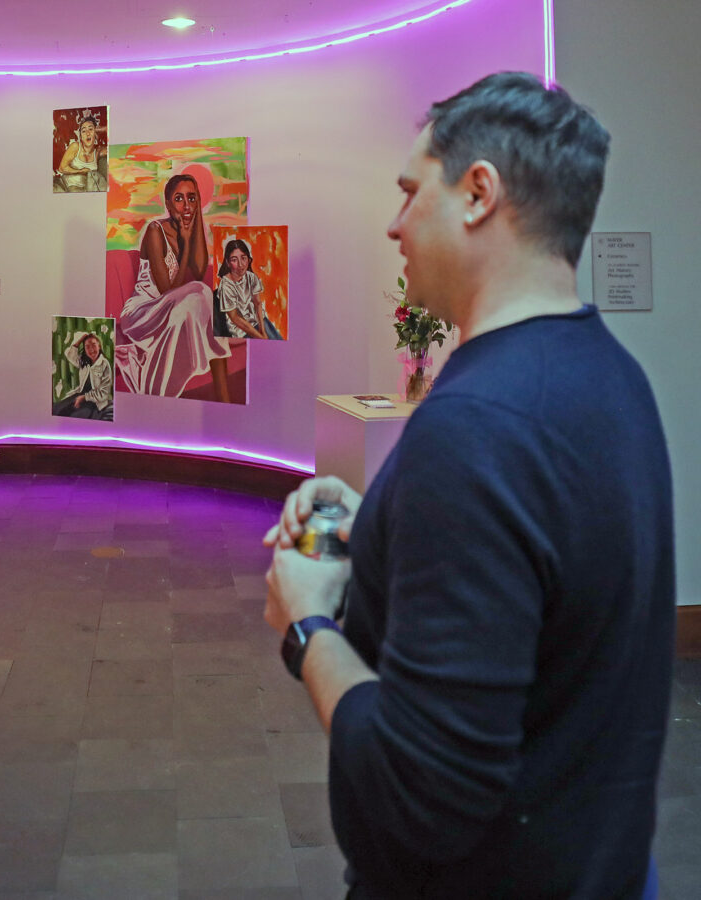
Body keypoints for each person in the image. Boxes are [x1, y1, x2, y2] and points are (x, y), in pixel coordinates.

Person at [263, 72, 673, 899]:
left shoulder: (477, 425)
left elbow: (425, 792)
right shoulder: (613, 378)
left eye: (411, 191)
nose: (393, 223)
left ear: (478, 193)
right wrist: (380, 521)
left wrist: (307, 626)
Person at [116, 172, 233, 400]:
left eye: (192, 198)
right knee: (201, 293)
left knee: (205, 295)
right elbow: (165, 291)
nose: (186, 205)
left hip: (170, 308)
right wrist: (186, 242)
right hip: (143, 312)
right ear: (168, 204)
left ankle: (224, 396)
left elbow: (198, 270)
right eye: (179, 199)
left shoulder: (190, 225)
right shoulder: (154, 231)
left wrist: (195, 224)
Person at [215, 238, 281, 340]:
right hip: (241, 331)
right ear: (227, 263)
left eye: (243, 258)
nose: (240, 264)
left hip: (258, 321)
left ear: (249, 260)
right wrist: (260, 337)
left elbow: (257, 303)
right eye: (234, 260)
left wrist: (262, 331)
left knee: (278, 342)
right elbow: (235, 318)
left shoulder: (251, 277)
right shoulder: (226, 285)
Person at [52, 331, 113, 420]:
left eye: (93, 345)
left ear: (99, 346)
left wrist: (84, 397)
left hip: (94, 403)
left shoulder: (104, 364)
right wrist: (79, 340)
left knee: (72, 417)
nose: (91, 350)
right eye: (87, 347)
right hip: (79, 395)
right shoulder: (84, 362)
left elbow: (104, 393)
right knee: (56, 409)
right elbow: (69, 354)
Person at [55, 112, 106, 193]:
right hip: (70, 186)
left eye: (90, 129)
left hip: (88, 189)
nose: (87, 133)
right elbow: (62, 168)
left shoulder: (98, 151)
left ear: (96, 133)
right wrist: (81, 171)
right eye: (83, 131)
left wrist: (101, 129)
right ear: (81, 137)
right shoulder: (75, 146)